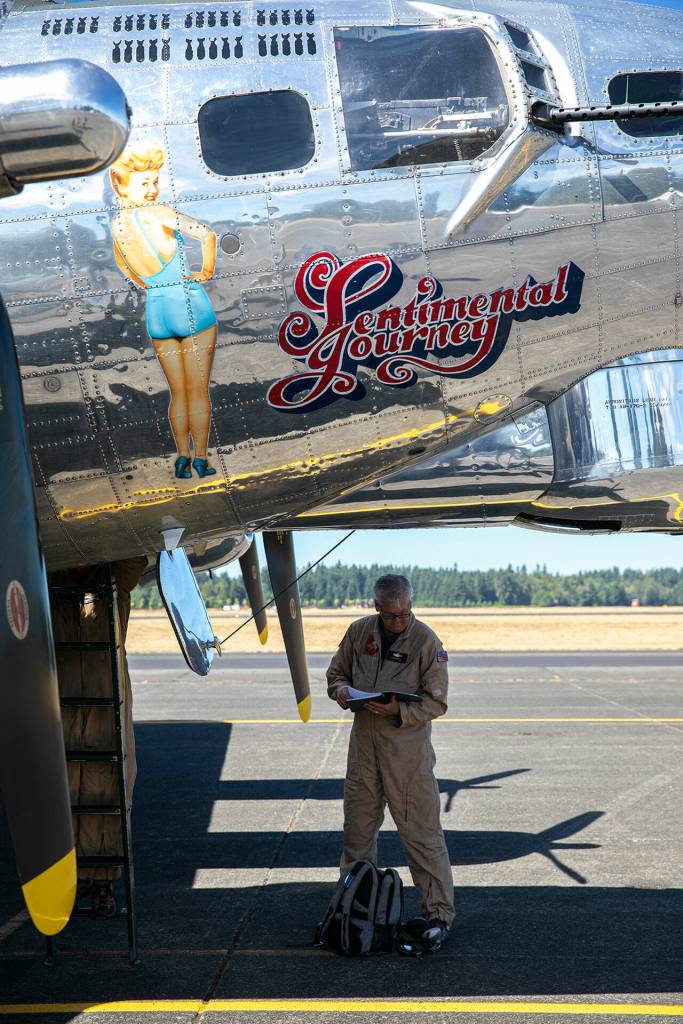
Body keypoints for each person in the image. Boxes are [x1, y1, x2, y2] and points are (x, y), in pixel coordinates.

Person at [326, 573, 454, 948]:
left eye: (403, 614)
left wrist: (399, 709)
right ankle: (354, 911)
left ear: (410, 604)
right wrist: (343, 692)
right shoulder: (358, 633)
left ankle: (438, 916)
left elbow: (437, 701)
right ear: (377, 607)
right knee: (357, 834)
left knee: (422, 835)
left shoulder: (427, 642)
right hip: (364, 751)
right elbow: (336, 674)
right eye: (389, 615)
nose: (397, 621)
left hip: (407, 755)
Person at [109, 145, 218, 480]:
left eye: (154, 182)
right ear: (120, 184)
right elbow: (206, 234)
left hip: (157, 310)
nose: (152, 189)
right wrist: (206, 272)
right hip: (189, 303)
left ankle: (181, 458)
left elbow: (124, 265)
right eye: (145, 183)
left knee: (178, 393)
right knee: (198, 390)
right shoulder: (158, 213)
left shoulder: (117, 225)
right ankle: (201, 458)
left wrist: (151, 285)